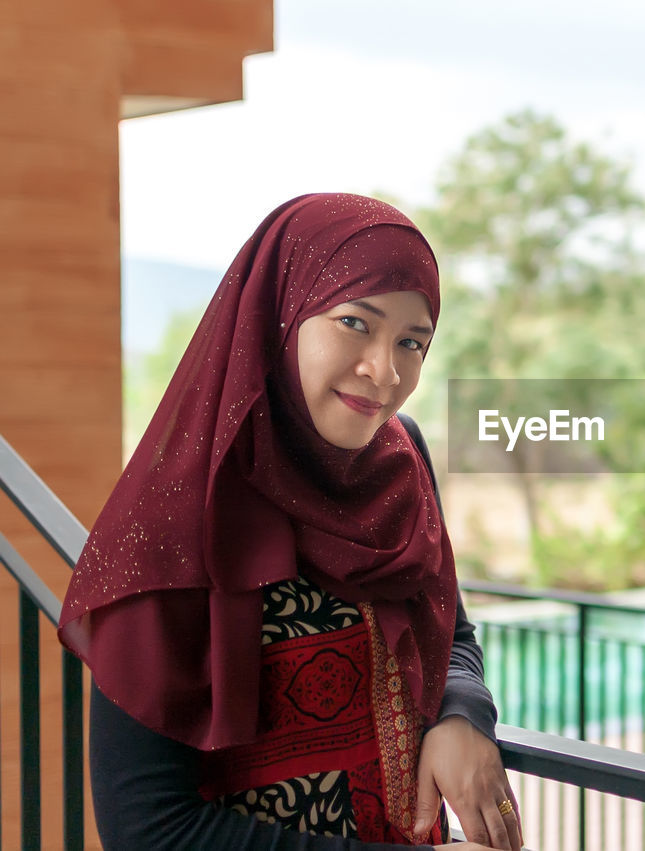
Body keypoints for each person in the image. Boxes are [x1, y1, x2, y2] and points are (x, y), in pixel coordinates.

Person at [58, 193, 522, 850]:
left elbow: (449, 632)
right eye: (356, 323)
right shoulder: (180, 511)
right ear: (282, 311)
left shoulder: (399, 460)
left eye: (412, 341)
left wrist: (462, 714)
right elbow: (147, 828)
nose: (385, 372)